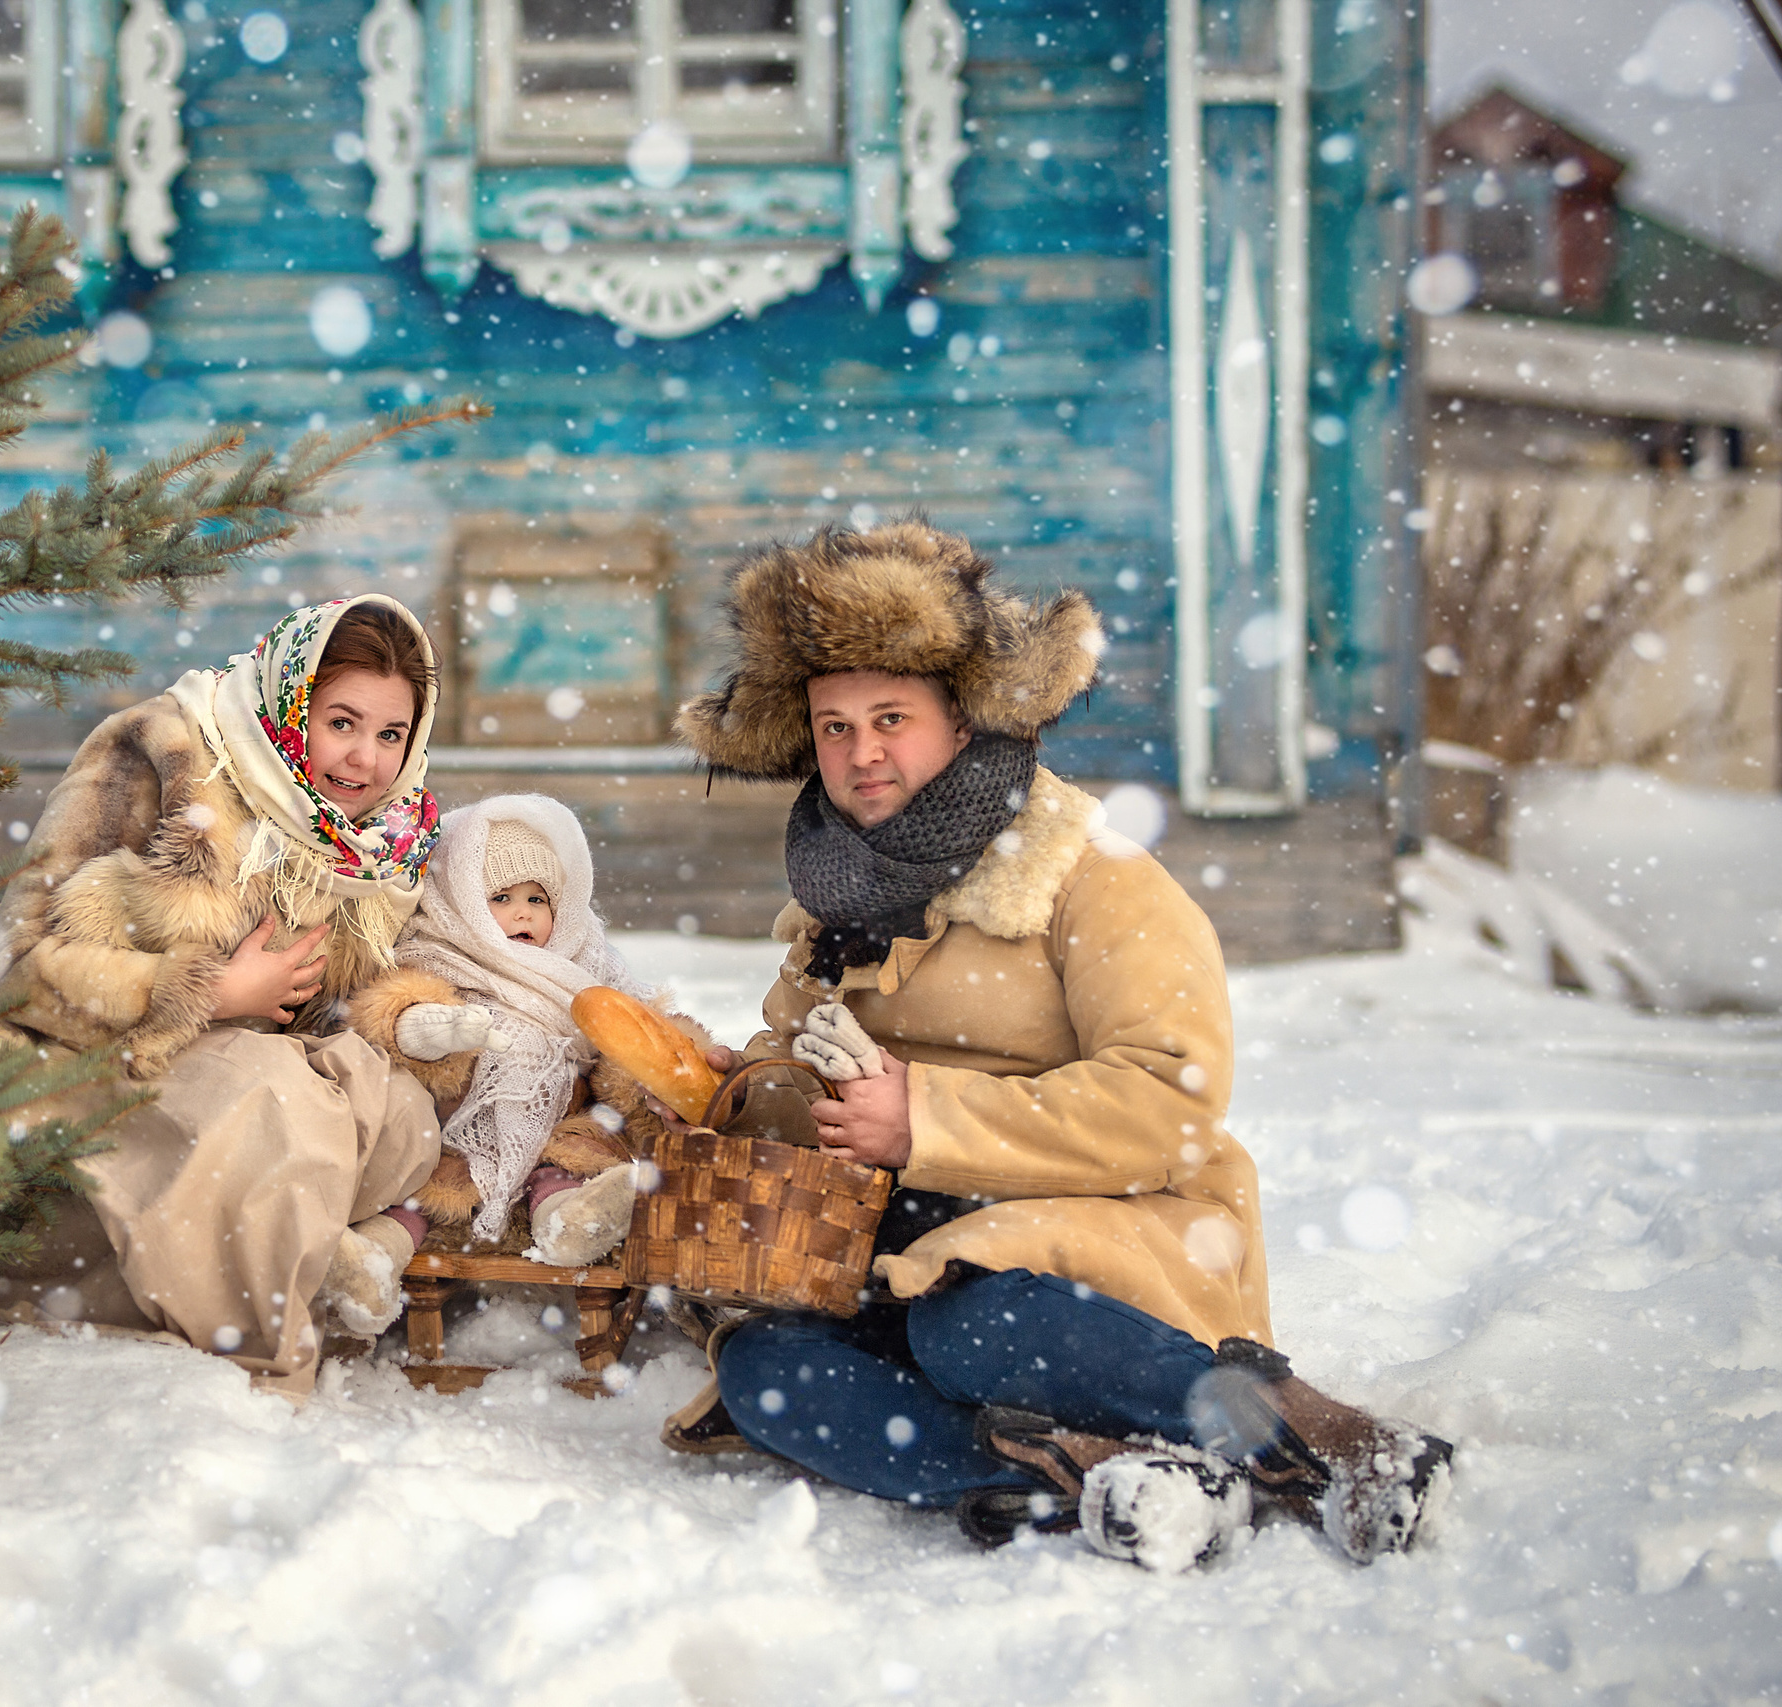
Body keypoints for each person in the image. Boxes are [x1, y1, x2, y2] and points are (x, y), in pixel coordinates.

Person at [656, 520, 1452, 1570]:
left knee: (970, 1327)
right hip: (895, 1251)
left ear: (960, 721)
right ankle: (1074, 1474)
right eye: (835, 726)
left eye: (891, 718)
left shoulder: (1092, 877)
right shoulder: (838, 895)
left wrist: (925, 1118)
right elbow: (792, 1053)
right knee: (766, 1371)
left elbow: (1170, 1100)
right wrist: (746, 1099)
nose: (862, 753)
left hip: (1097, 1246)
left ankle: (1320, 1438)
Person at [0, 595, 448, 1396]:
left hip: (230, 1055)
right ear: (292, 702)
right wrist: (210, 991)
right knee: (277, 1105)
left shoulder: (378, 840)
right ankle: (252, 1362)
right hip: (76, 1059)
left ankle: (258, 1252)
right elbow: (17, 967)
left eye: (390, 734)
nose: (364, 760)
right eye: (342, 722)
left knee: (398, 1112)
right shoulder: (159, 753)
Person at [345, 794, 692, 1266]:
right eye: (501, 898)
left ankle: (569, 1222)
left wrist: (663, 1068)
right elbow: (393, 1010)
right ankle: (374, 1258)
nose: (523, 913)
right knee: (414, 1193)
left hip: (556, 1133)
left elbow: (634, 1031)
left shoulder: (586, 969)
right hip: (450, 1135)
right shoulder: (439, 956)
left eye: (537, 899)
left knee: (563, 1171)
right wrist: (427, 1028)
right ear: (462, 902)